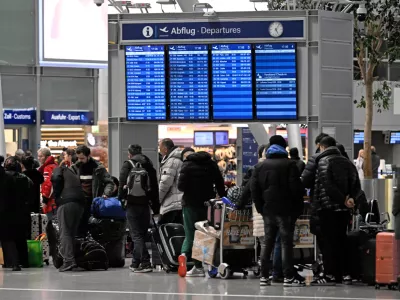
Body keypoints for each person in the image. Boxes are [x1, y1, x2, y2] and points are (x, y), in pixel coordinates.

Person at [251, 135, 305, 287]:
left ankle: (264, 277)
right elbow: (296, 189)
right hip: (286, 210)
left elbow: (254, 190)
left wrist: (261, 207)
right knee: (286, 243)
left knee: (268, 243)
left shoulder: (259, 166)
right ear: (284, 148)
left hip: (268, 210)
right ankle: (288, 277)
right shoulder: (290, 165)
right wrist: (297, 208)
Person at [310, 136, 361, 286]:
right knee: (342, 240)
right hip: (344, 210)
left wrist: (342, 199)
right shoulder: (347, 162)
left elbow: (328, 186)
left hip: (327, 208)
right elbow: (356, 184)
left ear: (322, 147)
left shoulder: (323, 161)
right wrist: (350, 199)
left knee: (329, 242)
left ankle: (330, 274)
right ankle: (345, 274)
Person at [177, 147, 226, 277]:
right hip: (208, 205)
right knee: (205, 234)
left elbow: (180, 187)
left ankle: (186, 257)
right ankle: (208, 264)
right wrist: (223, 196)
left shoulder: (187, 165)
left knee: (190, 233)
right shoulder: (211, 164)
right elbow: (220, 184)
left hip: (189, 204)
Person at [118, 144, 159, 273]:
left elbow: (121, 183)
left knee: (136, 235)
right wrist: (156, 207)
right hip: (146, 204)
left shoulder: (127, 164)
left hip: (132, 204)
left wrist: (121, 199)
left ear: (130, 154)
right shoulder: (148, 164)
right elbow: (155, 187)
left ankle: (145, 263)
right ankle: (136, 263)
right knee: (141, 234)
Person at [72, 145, 114, 237]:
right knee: (79, 228)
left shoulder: (98, 168)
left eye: (82, 158)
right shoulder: (75, 168)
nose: (80, 160)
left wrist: (106, 194)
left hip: (93, 202)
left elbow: (110, 183)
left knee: (93, 227)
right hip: (79, 202)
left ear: (88, 156)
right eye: (78, 158)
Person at [51, 162, 85, 272]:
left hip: (66, 202)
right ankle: (72, 258)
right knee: (71, 233)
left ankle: (69, 261)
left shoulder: (59, 169)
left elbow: (56, 179)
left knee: (65, 232)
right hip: (80, 203)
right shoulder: (72, 173)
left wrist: (57, 196)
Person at [3, 156, 33, 270]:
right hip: (23, 211)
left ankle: (10, 261)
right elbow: (30, 194)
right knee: (21, 237)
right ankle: (24, 261)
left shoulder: (5, 178)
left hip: (8, 211)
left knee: (8, 237)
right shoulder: (25, 178)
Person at [0, 156, 24, 271]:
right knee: (8, 238)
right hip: (8, 211)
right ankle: (13, 262)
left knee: (6, 238)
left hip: (4, 210)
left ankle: (9, 262)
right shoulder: (8, 177)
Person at [158, 139, 183, 224]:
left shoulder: (171, 162)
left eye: (160, 147)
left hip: (172, 203)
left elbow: (165, 183)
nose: (159, 149)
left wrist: (158, 199)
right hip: (179, 202)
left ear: (165, 149)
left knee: (164, 229)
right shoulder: (177, 159)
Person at [37, 148, 58, 218]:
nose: (39, 158)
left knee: (49, 223)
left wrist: (45, 200)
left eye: (41, 156)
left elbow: (48, 184)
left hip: (50, 202)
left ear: (46, 157)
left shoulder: (47, 167)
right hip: (55, 199)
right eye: (38, 156)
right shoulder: (55, 165)